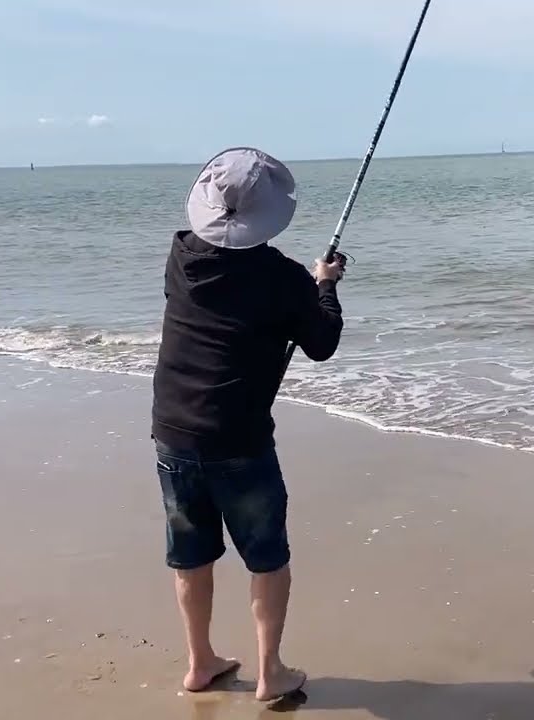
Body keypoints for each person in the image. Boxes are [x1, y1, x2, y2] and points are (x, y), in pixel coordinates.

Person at [150, 147, 345, 701]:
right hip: (238, 438)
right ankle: (270, 672)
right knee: (267, 556)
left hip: (173, 429)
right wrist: (324, 285)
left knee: (190, 553)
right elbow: (322, 343)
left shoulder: (181, 255)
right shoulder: (282, 277)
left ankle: (200, 663)